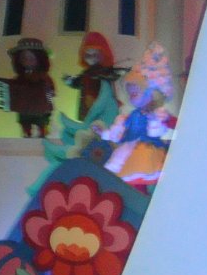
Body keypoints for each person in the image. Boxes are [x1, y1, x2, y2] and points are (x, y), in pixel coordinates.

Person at [100, 43, 176, 188]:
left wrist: (154, 121)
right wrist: (104, 133)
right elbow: (120, 134)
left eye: (135, 93)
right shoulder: (132, 116)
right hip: (128, 151)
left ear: (150, 92)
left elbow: (158, 132)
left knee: (142, 174)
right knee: (127, 180)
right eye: (130, 94)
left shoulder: (157, 115)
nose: (131, 97)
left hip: (147, 150)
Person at [0, 37, 55, 138]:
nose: (27, 61)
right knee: (25, 121)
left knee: (41, 121)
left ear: (39, 59)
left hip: (40, 107)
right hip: (24, 107)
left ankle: (42, 134)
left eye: (31, 58)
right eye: (24, 58)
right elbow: (14, 87)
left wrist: (49, 100)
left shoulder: (43, 76)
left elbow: (49, 90)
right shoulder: (21, 77)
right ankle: (27, 134)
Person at [62, 31, 123, 122]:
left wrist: (114, 73)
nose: (91, 57)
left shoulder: (104, 72)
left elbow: (111, 78)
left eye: (95, 54)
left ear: (102, 55)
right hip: (87, 109)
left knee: (99, 124)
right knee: (89, 125)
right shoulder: (87, 73)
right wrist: (71, 81)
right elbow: (80, 81)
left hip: (100, 108)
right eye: (88, 55)